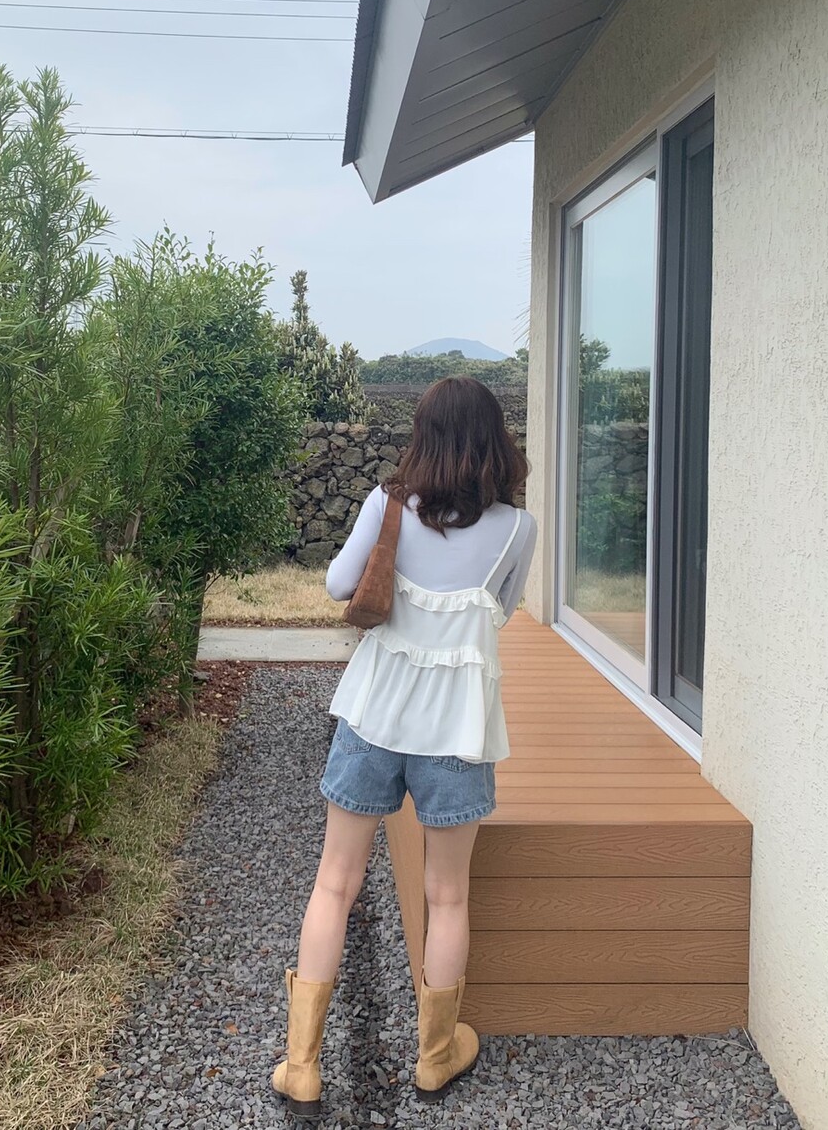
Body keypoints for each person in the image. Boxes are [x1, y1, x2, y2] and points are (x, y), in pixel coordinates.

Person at [272, 375, 536, 1119]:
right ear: (495, 442)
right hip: (457, 730)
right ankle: (435, 1055)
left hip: (374, 718)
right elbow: (503, 609)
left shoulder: (387, 506)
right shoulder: (518, 529)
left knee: (335, 883)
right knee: (447, 895)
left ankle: (302, 1065)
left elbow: (337, 585)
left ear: (423, 436)